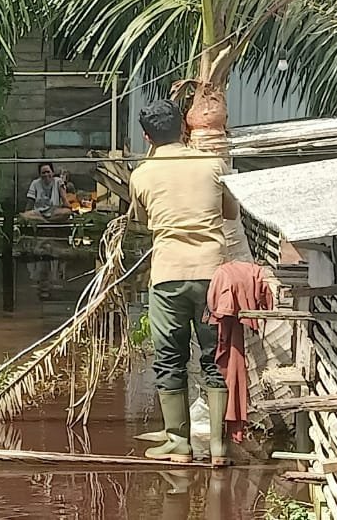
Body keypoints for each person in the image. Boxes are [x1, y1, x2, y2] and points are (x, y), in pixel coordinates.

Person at [129, 99, 237, 462]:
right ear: (184, 128)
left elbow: (145, 222)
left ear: (147, 136)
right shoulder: (213, 164)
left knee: (169, 358)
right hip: (212, 277)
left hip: (168, 277)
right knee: (215, 357)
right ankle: (220, 447)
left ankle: (179, 445)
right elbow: (231, 212)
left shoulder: (141, 175)